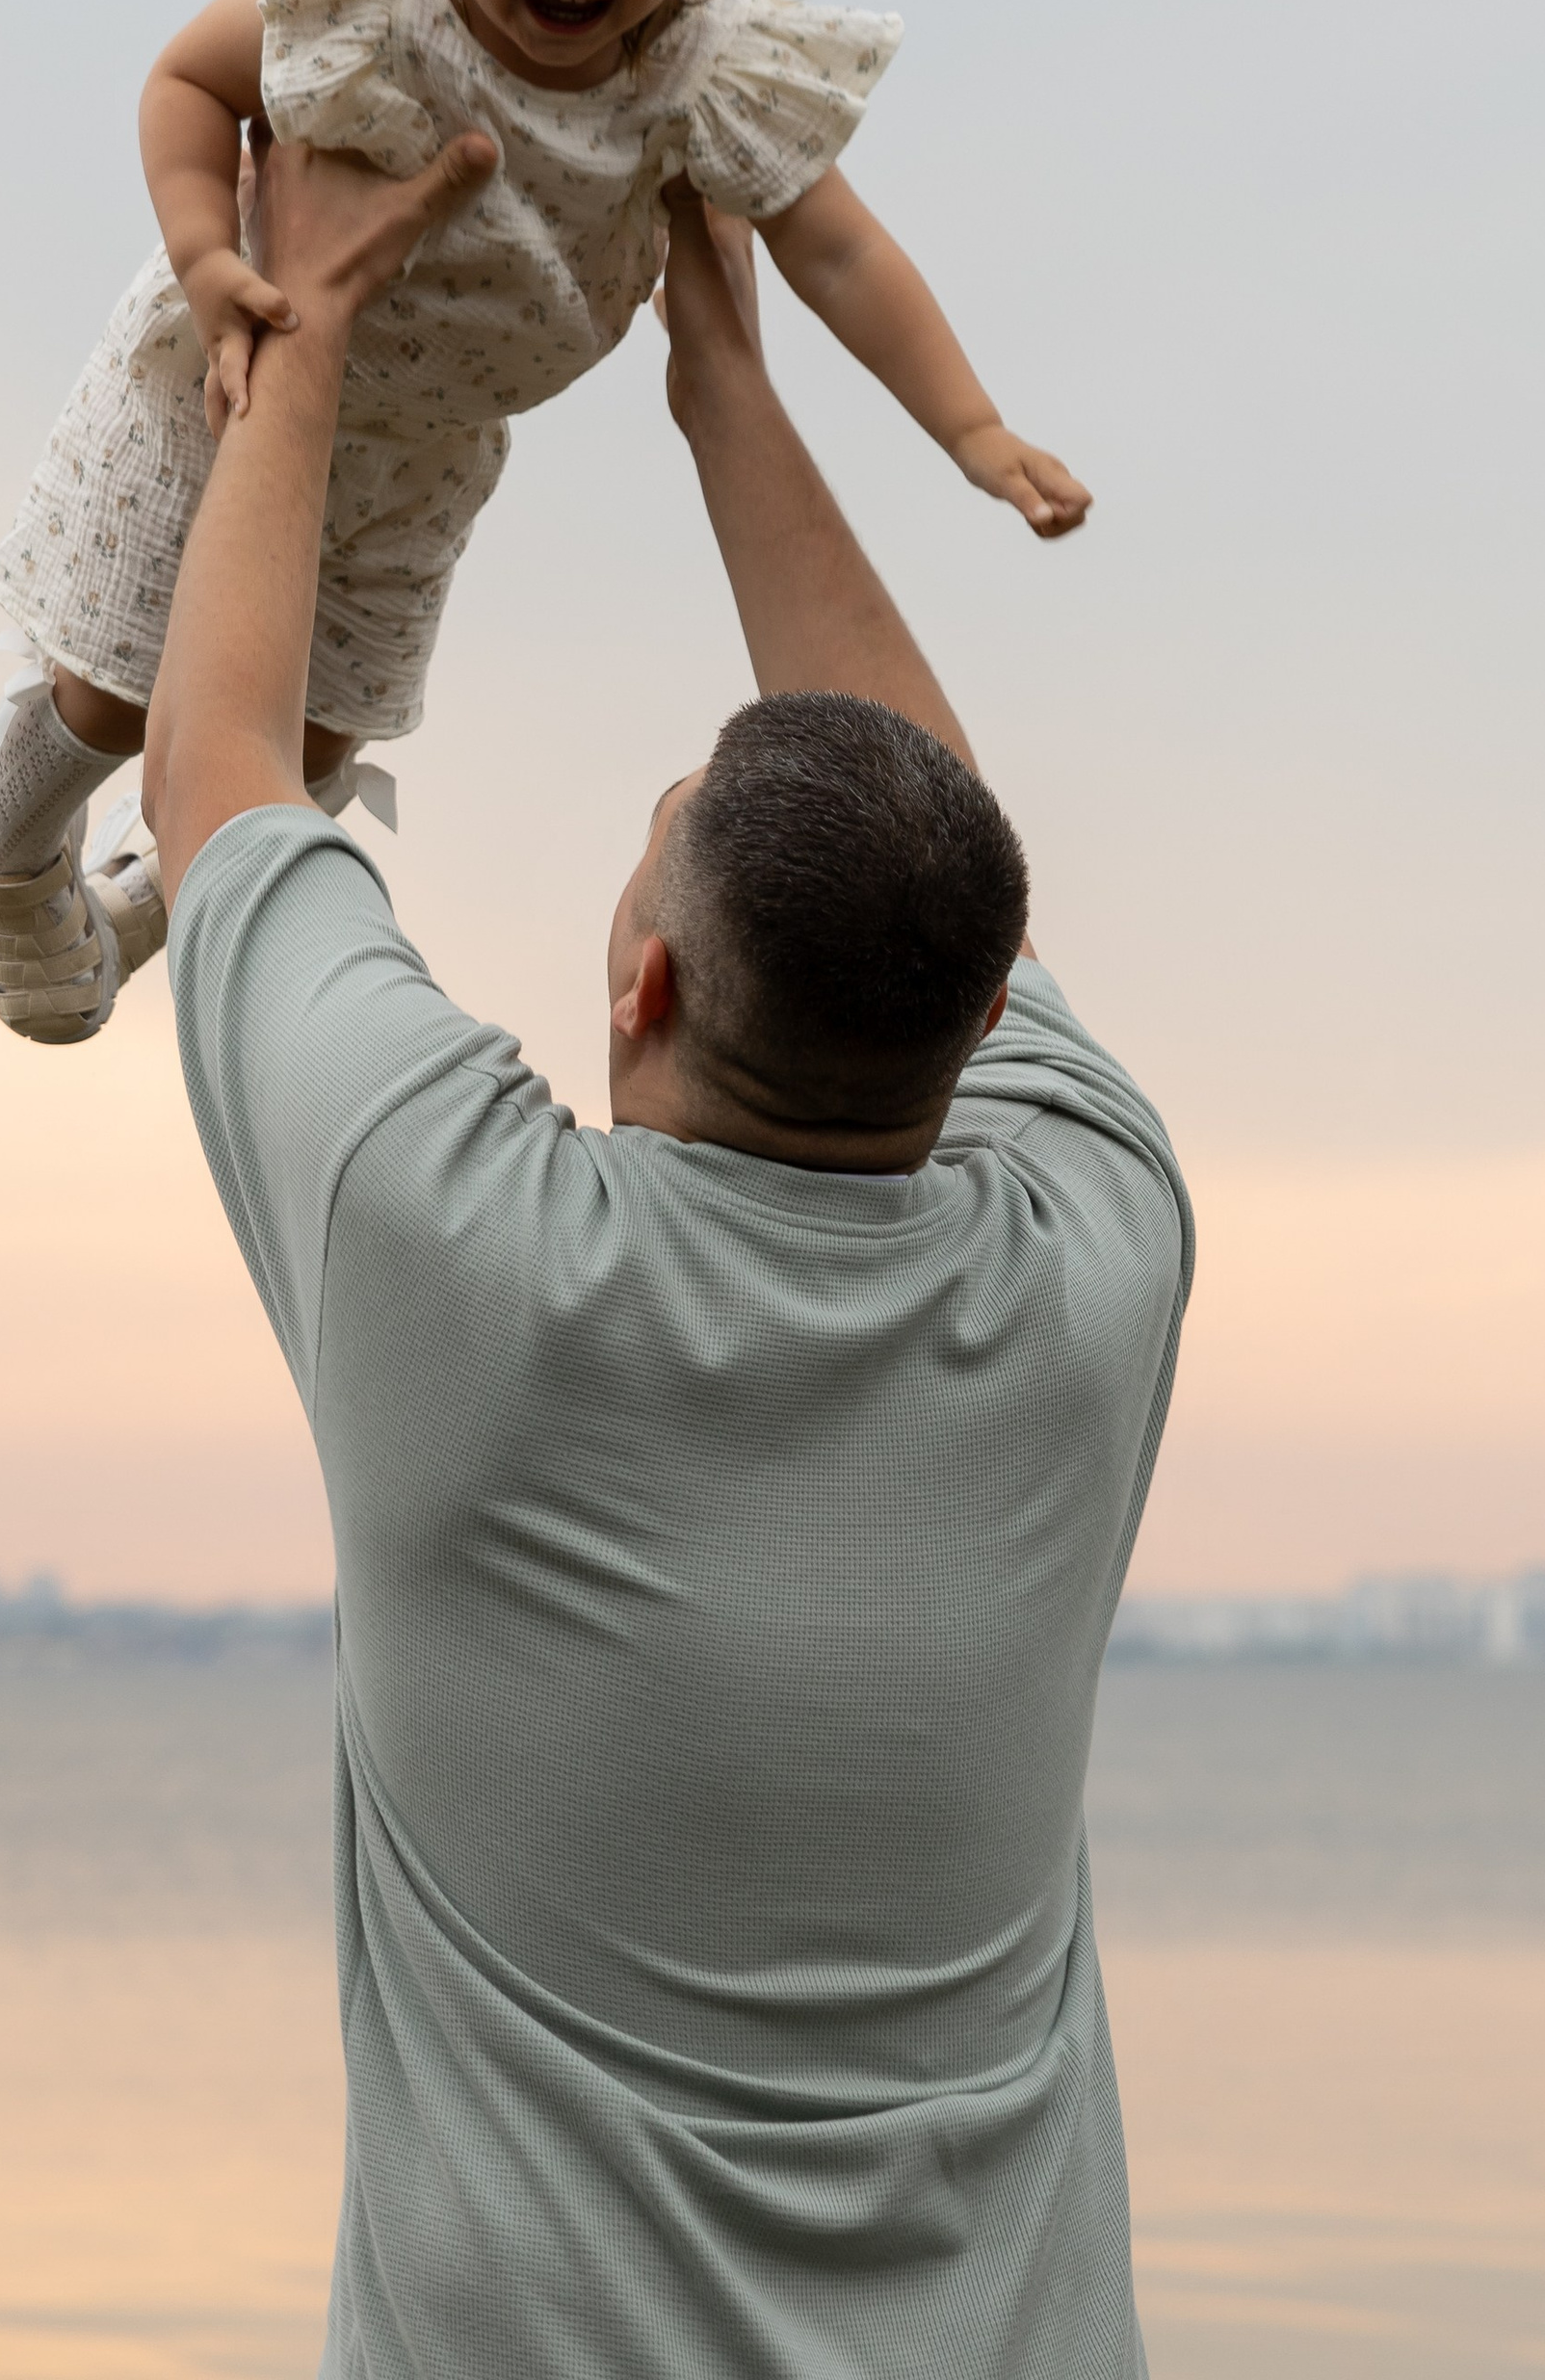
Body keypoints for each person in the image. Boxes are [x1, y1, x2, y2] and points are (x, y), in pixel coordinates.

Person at [139, 119, 1191, 2380]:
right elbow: (932, 839)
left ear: (639, 988)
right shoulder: (1095, 1257)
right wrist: (733, 379)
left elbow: (217, 767)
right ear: (983, 1015)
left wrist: (306, 330)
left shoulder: (462, 1260)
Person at [0, 0, 1089, 1043]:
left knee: (306, 747)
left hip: (427, 450)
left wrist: (972, 429)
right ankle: (9, 862)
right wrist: (201, 255)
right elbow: (186, 86)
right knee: (120, 695)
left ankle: (137, 905)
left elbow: (843, 252)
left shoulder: (694, 77)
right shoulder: (370, 3)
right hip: (233, 369)